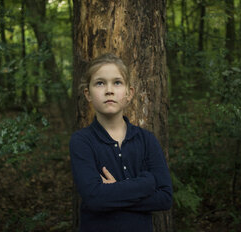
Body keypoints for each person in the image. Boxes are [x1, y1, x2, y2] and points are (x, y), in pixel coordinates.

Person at [69, 53, 172, 232]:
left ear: (129, 93)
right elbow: (94, 198)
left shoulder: (147, 140)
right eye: (100, 83)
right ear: (88, 94)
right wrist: (146, 183)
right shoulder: (82, 141)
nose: (109, 90)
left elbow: (164, 197)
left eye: (117, 82)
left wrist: (113, 192)